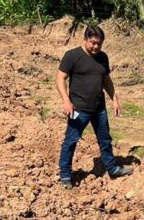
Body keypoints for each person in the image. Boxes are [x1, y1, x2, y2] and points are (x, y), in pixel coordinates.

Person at [56, 25, 132, 189]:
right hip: (79, 109)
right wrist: (66, 101)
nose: (96, 47)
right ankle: (65, 175)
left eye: (99, 43)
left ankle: (112, 168)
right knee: (71, 141)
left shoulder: (103, 57)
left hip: (99, 109)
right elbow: (60, 78)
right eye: (93, 43)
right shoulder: (72, 56)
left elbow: (106, 80)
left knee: (105, 140)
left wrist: (114, 99)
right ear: (85, 39)